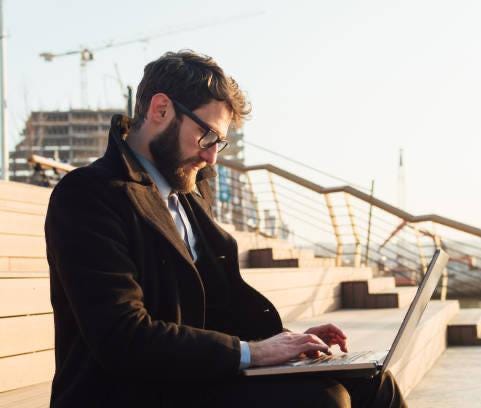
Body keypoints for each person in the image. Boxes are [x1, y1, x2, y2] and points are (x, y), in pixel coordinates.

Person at [45, 50, 406, 407]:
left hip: (192, 378)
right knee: (325, 400)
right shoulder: (89, 195)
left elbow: (211, 308)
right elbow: (123, 337)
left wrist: (284, 342)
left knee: (375, 384)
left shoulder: (188, 194)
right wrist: (253, 352)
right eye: (206, 136)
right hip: (128, 391)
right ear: (160, 110)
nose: (211, 156)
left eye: (219, 142)